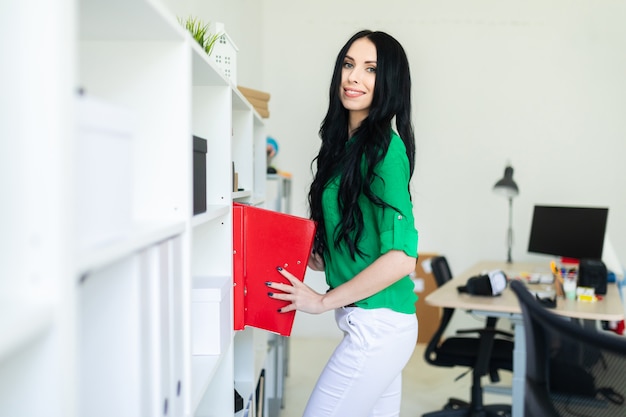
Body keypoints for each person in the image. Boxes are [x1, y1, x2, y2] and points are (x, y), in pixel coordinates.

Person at [266, 29, 418, 417]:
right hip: (369, 322)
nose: (354, 77)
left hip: (379, 326)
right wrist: (325, 254)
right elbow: (357, 233)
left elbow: (402, 259)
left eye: (371, 69)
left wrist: (320, 301)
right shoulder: (345, 147)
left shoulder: (386, 149)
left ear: (389, 83)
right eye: (349, 65)